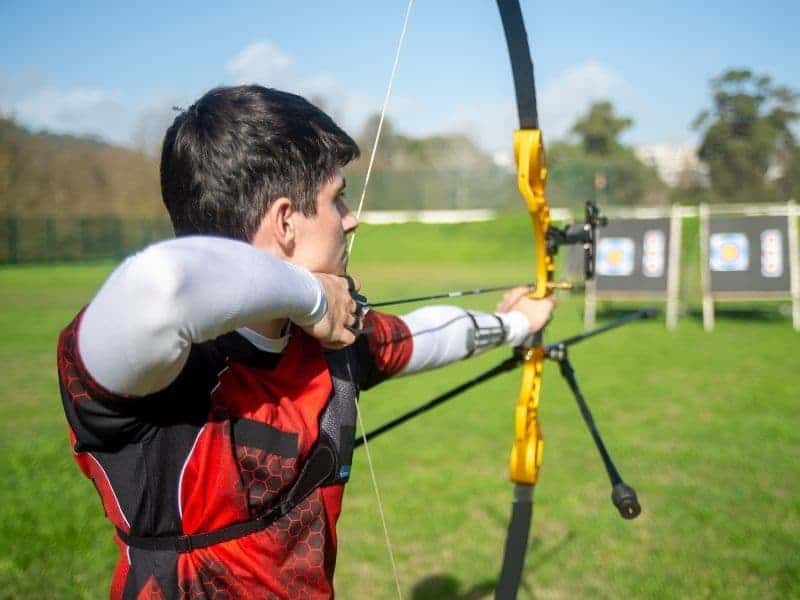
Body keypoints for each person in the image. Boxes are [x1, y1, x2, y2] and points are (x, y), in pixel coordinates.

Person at [56, 85, 555, 599]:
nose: (351, 218)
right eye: (337, 198)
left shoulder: (329, 342)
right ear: (286, 221)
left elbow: (424, 337)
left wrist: (516, 325)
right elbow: (159, 287)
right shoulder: (161, 369)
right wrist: (312, 296)